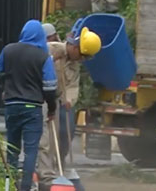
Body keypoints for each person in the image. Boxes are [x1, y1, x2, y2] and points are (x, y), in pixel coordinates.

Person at [0, 20, 58, 191]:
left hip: (12, 106)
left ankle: (10, 185)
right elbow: (50, 86)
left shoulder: (8, 50)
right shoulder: (43, 56)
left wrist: (8, 83)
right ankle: (26, 187)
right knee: (31, 151)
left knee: (12, 148)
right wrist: (52, 108)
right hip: (33, 108)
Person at [36, 23, 101, 191]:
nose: (82, 59)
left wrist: (69, 99)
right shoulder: (51, 49)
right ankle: (46, 176)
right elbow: (34, 64)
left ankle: (59, 167)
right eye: (82, 54)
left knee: (63, 134)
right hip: (40, 98)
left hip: (57, 101)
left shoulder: (74, 65)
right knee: (46, 139)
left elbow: (73, 85)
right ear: (73, 46)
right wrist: (50, 61)